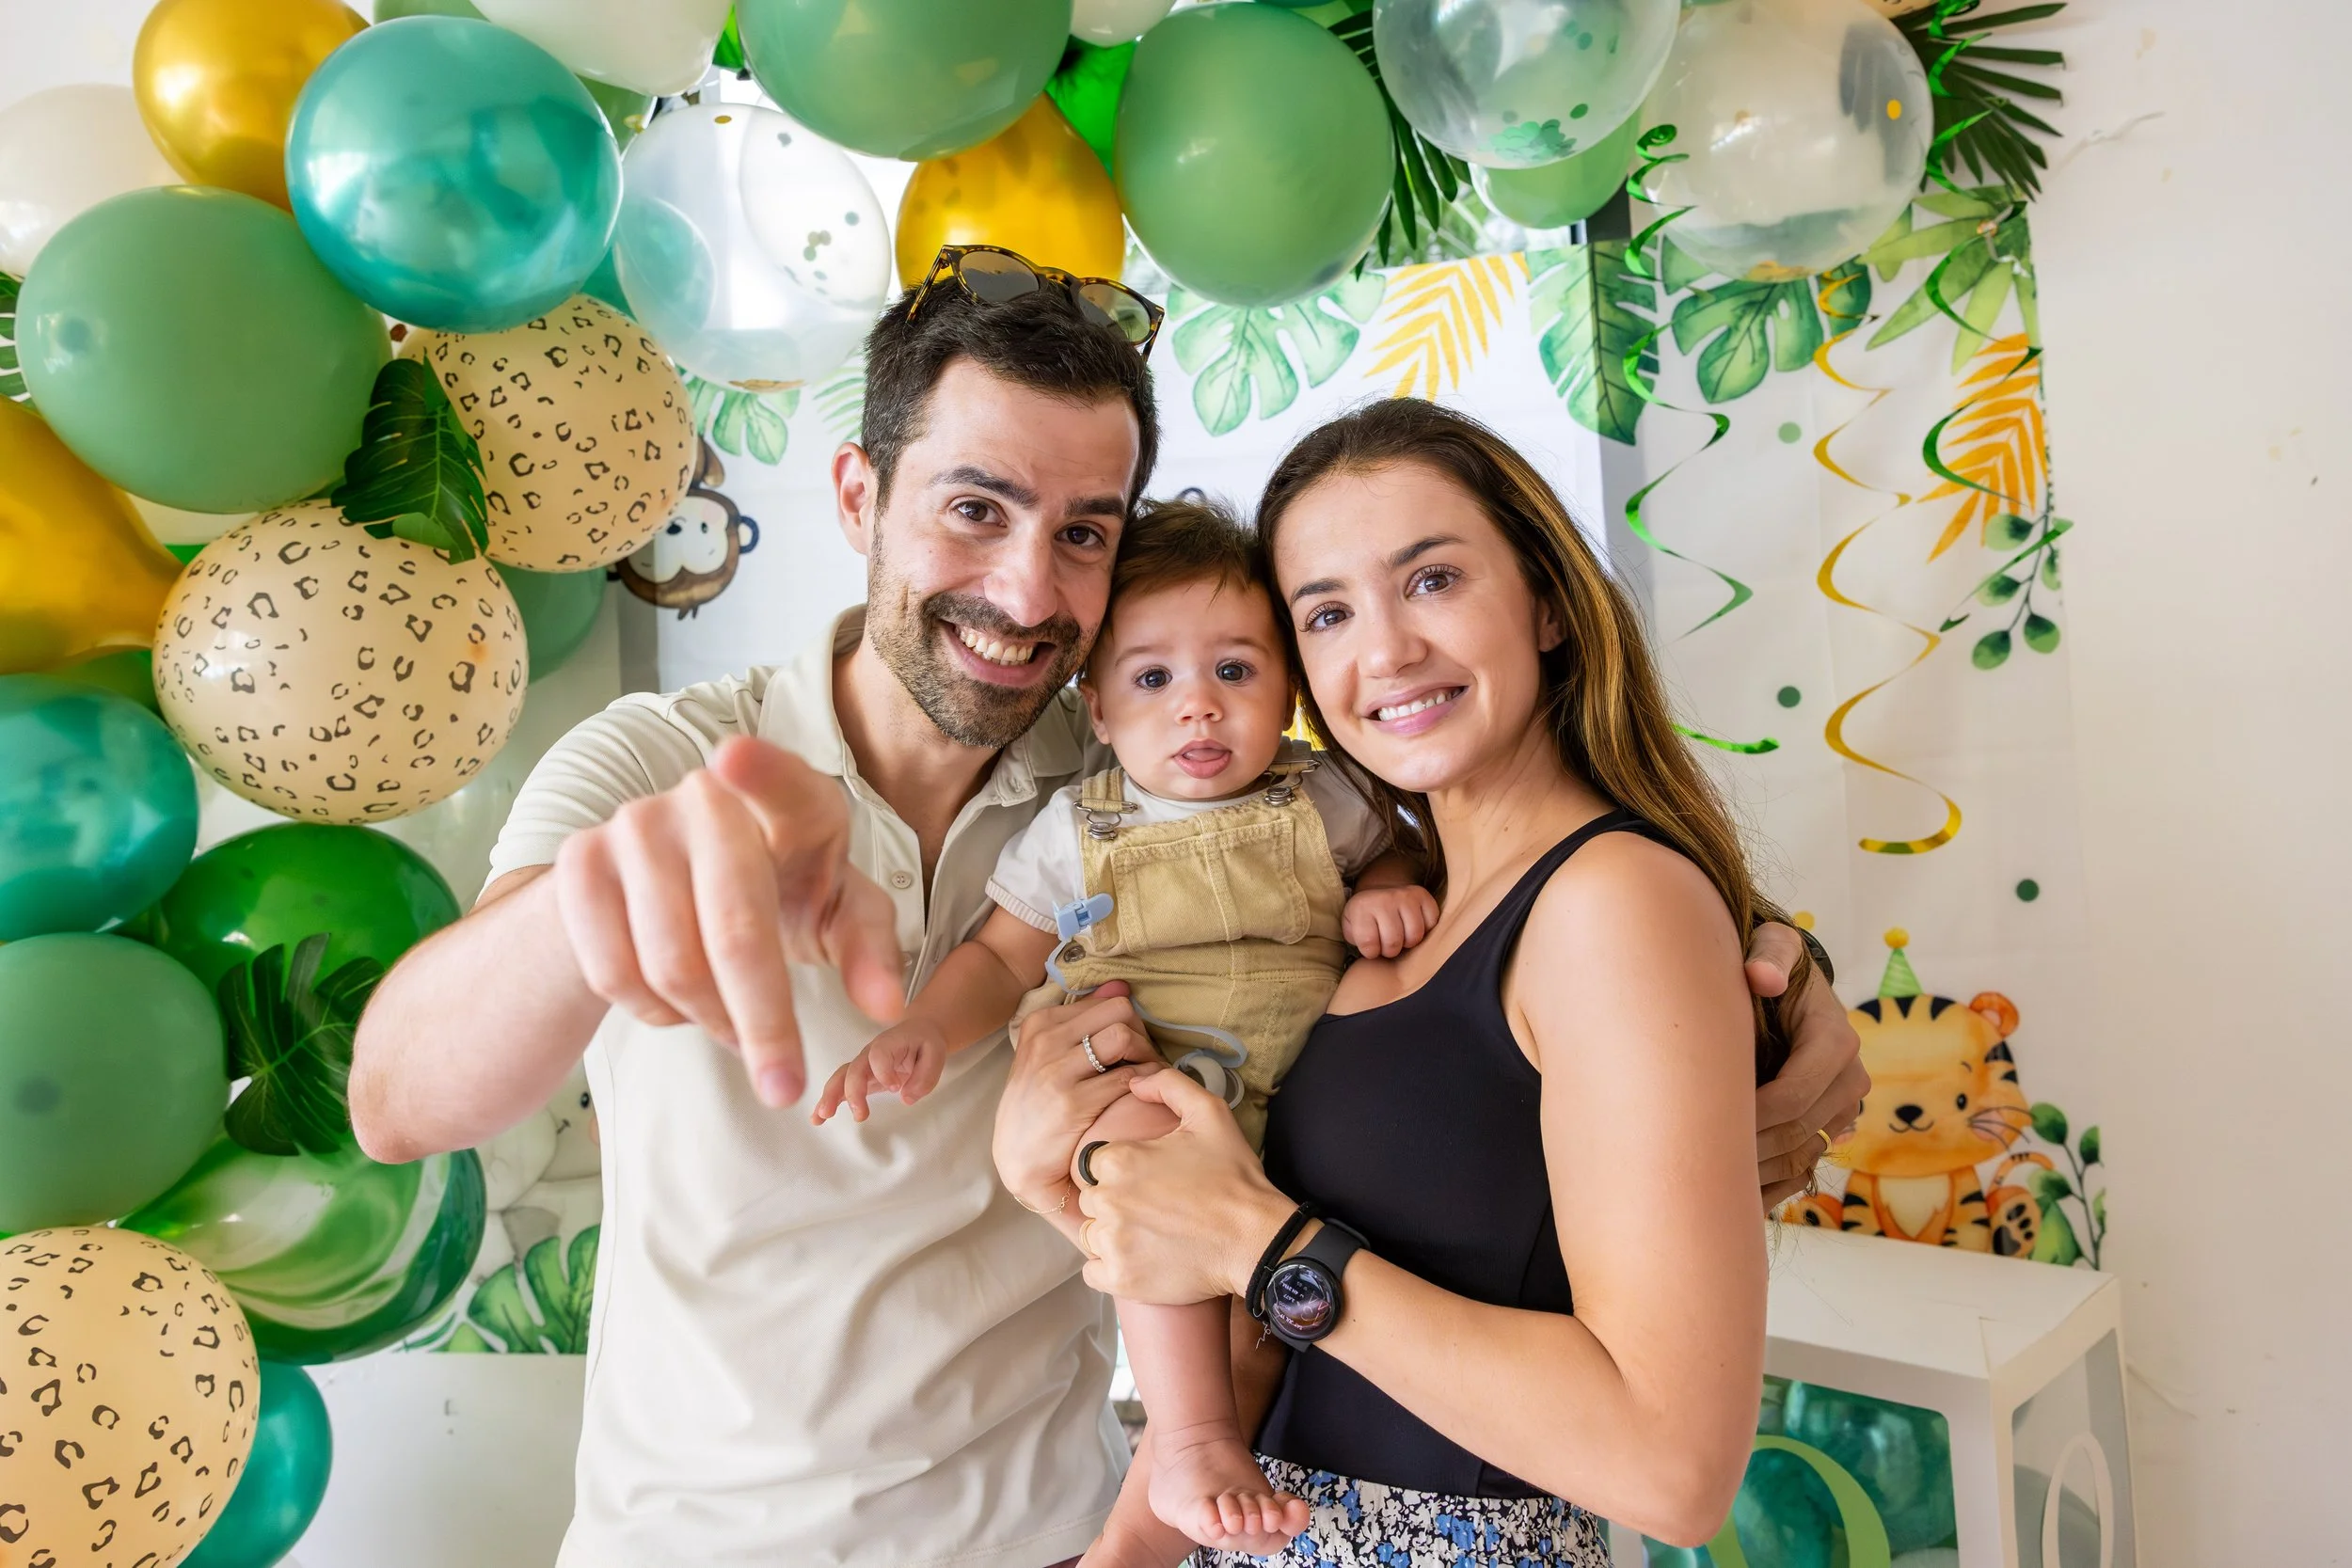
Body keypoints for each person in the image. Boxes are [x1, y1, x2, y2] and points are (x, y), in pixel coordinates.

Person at [350, 239, 1866, 1568]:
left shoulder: (1139, 768)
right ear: (859, 494)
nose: (1027, 591)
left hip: (1058, 1530)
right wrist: (604, 896)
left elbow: (1513, 887)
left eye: (1082, 530)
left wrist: (1775, 973)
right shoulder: (660, 764)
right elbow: (400, 1099)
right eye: (975, 507)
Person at [1002, 399, 1818, 1566]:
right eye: (1327, 611)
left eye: (1431, 579)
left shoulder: (1612, 898)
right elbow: (1260, 1335)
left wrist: (1258, 1242)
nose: (1383, 652)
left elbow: (1672, 1467)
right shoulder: (1385, 912)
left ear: (1546, 600)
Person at [810, 499, 1438, 1554]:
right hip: (1156, 1091)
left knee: (1277, 1310)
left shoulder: (1324, 796)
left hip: (1309, 1094)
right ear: (1096, 709)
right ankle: (1191, 1439)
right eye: (1153, 680)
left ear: (1288, 688)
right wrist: (925, 1028)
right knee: (1151, 1195)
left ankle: (1218, 1462)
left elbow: (1407, 852)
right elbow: (999, 957)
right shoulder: (1076, 829)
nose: (1198, 706)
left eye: (1234, 671)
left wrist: (1386, 885)